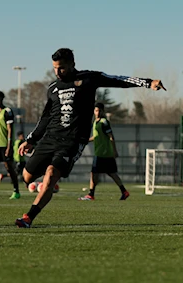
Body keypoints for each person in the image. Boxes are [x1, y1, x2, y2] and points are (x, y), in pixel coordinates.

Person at [15, 48, 166, 228]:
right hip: (50, 138)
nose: (57, 72)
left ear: (72, 64)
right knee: (26, 177)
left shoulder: (88, 78)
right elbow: (45, 117)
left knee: (51, 174)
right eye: (55, 68)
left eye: (61, 68)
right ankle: (46, 184)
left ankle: (28, 217)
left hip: (72, 141)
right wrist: (31, 139)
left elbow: (118, 80)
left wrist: (147, 83)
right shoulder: (53, 88)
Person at [78, 102, 129, 201]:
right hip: (102, 152)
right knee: (111, 173)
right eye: (96, 110)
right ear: (94, 111)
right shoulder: (95, 122)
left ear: (102, 111)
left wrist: (114, 151)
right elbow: (97, 136)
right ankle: (124, 191)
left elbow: (111, 137)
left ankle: (91, 194)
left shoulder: (104, 122)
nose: (97, 113)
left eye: (99, 111)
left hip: (103, 153)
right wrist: (87, 140)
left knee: (94, 173)